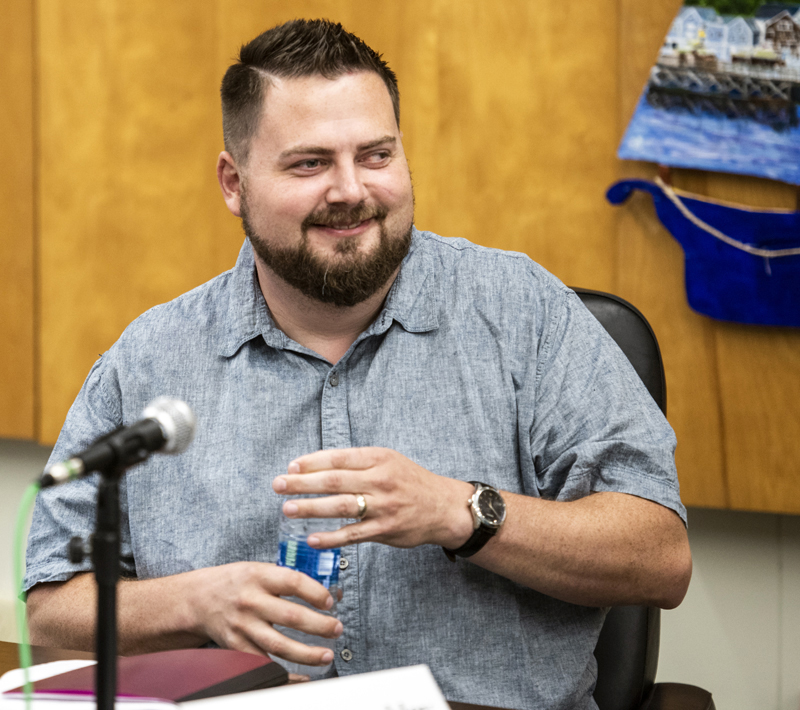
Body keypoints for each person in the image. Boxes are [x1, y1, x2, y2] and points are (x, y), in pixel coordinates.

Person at [24, 19, 692, 710]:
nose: (351, 191)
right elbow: (47, 611)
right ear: (234, 182)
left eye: (375, 155)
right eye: (309, 163)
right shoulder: (148, 360)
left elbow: (661, 559)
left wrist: (461, 511)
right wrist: (192, 601)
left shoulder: (525, 314)